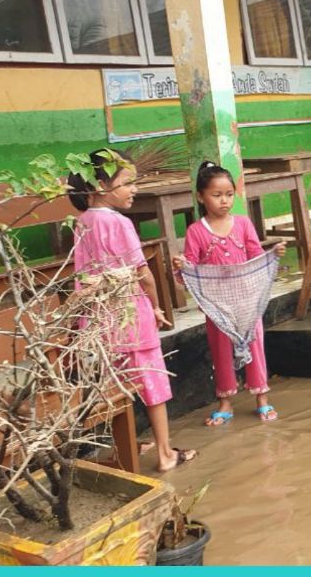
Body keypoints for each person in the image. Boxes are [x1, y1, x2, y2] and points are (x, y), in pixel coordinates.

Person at [68, 150, 196, 471]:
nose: (134, 189)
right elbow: (143, 273)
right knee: (152, 383)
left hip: (98, 319)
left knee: (113, 388)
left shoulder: (81, 222)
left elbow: (82, 275)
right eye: (127, 183)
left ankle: (125, 449)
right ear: (99, 186)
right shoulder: (121, 223)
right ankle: (166, 453)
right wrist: (154, 305)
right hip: (130, 315)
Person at [173, 162, 286, 426]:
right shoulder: (196, 232)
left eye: (229, 194)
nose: (224, 201)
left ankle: (262, 399)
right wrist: (181, 267)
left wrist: (274, 256)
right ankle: (225, 401)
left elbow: (256, 259)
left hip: (247, 300)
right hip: (216, 305)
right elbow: (191, 269)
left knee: (255, 345)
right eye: (216, 195)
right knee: (221, 350)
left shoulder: (244, 224)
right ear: (201, 196)